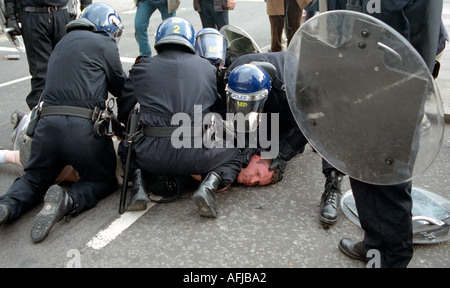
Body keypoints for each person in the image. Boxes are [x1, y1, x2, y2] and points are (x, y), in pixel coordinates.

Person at [321, 0, 443, 268]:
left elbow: (376, 21)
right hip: (397, 74)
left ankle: (388, 257)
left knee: (379, 173)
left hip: (383, 80)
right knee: (379, 171)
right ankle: (379, 241)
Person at [0, 3, 128, 243]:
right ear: (106, 27)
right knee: (102, 179)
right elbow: (121, 88)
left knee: (33, 179)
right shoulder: (104, 44)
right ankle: (69, 200)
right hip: (83, 131)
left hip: (46, 129)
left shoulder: (61, 44)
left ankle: (7, 205)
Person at [118, 17, 243, 218]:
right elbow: (219, 111)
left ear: (159, 40)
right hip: (196, 155)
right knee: (234, 154)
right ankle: (210, 184)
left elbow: (125, 108)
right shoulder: (207, 68)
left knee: (127, 147)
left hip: (151, 154)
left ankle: (139, 184)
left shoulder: (142, 68)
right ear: (190, 41)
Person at [3, 0, 92, 110]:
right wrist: (11, 16)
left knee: (69, 71)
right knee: (41, 76)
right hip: (33, 16)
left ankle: (70, 114)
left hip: (63, 14)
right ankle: (40, 117)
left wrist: (86, 10)